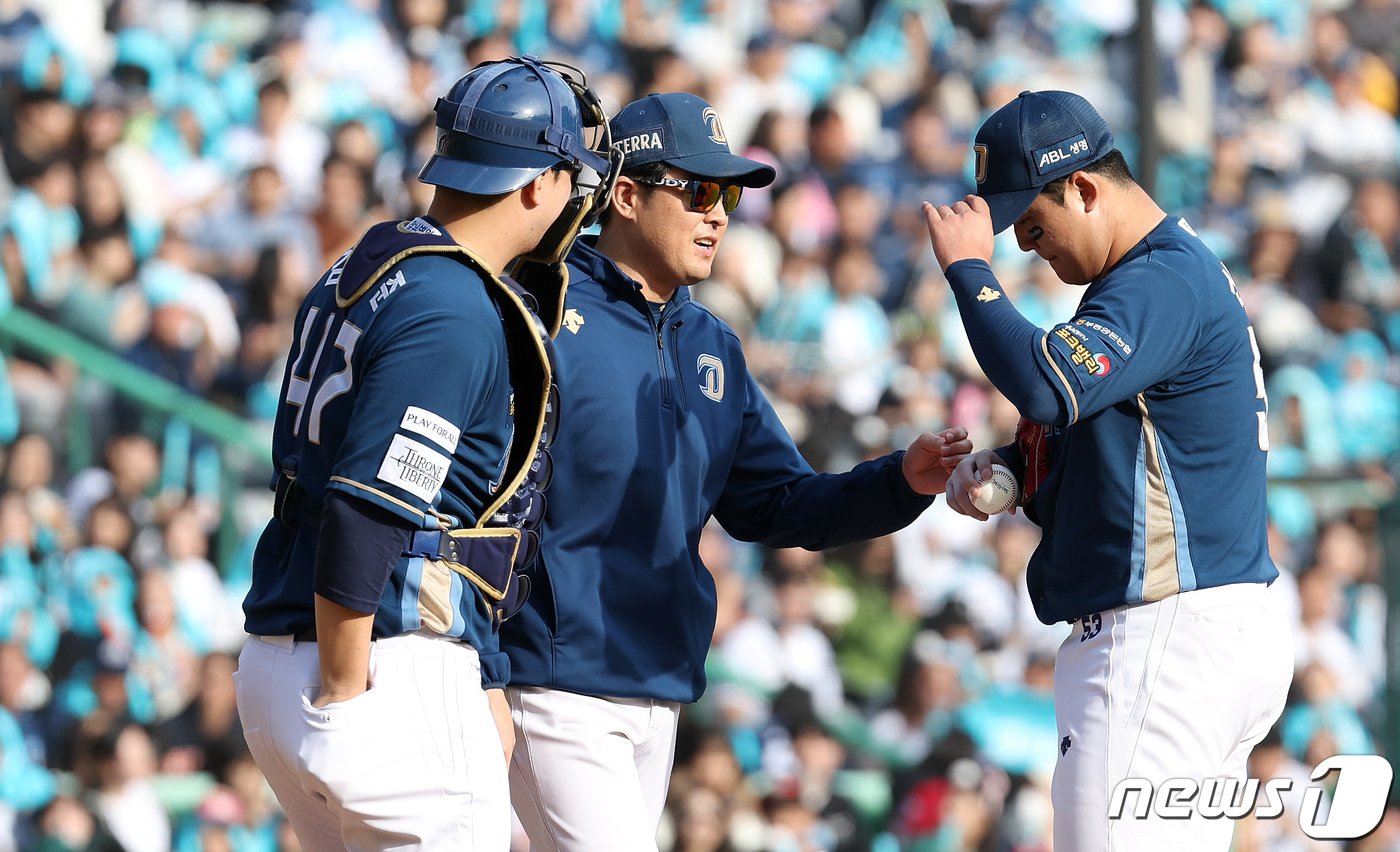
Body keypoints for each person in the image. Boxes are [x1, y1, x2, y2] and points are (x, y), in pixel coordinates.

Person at [499, 91, 972, 850]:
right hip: (552, 675)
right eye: (698, 190)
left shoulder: (712, 343)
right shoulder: (540, 305)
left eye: (729, 194)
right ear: (624, 194)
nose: (720, 212)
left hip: (657, 681)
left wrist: (900, 481)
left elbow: (777, 504)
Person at [235, 56, 617, 850]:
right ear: (539, 183)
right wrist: (348, 694)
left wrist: (481, 677)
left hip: (288, 647)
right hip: (373, 657)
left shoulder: (374, 255)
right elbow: (368, 507)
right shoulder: (453, 308)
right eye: (571, 174)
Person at [922, 90, 1293, 852]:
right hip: (1201, 630)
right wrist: (1018, 469)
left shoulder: (1160, 279)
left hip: (1163, 637)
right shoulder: (1168, 274)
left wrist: (968, 272)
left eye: (1033, 224)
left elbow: (1045, 382)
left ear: (1085, 189)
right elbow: (1127, 446)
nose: (1026, 246)